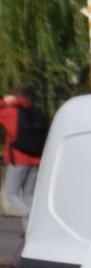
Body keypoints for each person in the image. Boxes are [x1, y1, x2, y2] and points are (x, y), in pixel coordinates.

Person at [2, 84, 45, 218]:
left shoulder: (11, 111)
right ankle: (31, 232)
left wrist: (4, 102)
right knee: (28, 194)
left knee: (11, 194)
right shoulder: (35, 111)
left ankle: (31, 215)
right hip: (35, 158)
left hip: (18, 158)